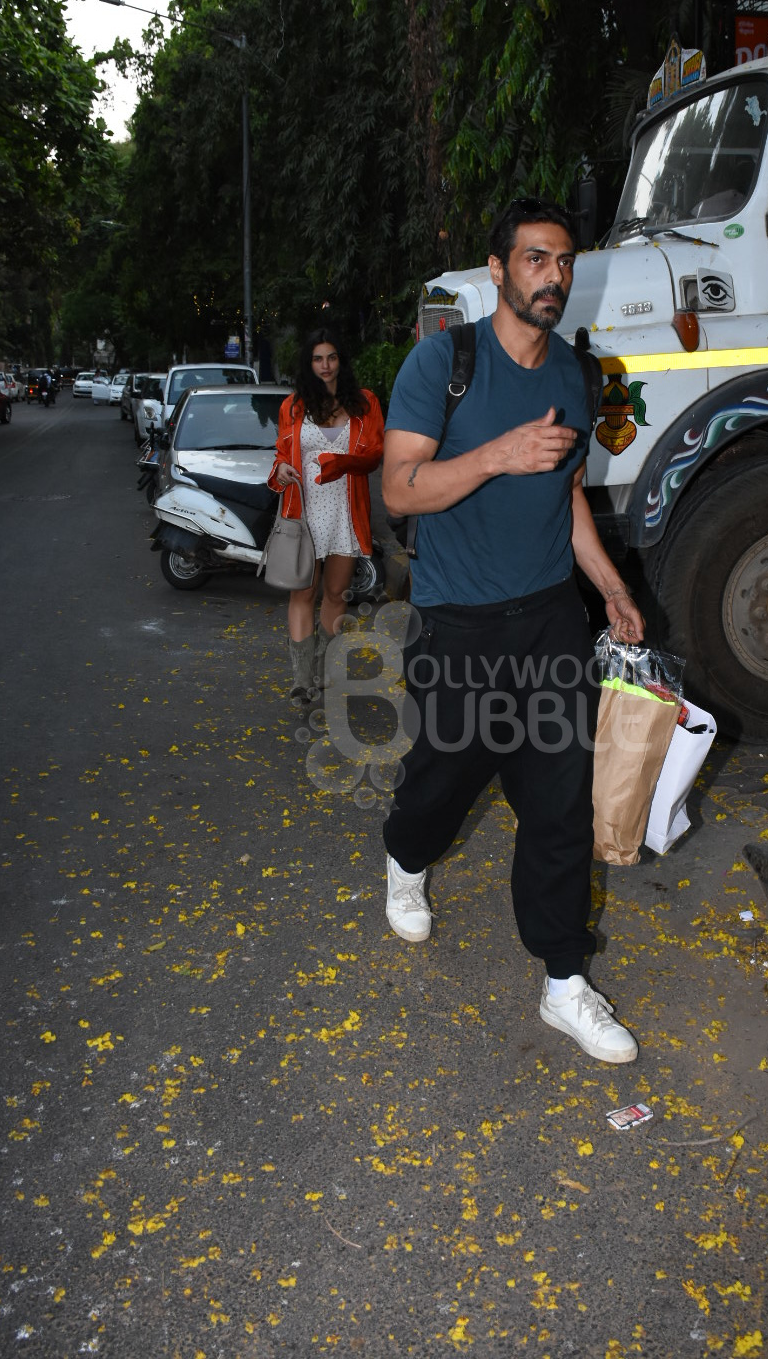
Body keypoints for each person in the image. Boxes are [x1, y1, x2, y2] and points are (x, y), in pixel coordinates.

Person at [380, 196, 646, 1064]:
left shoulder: (576, 374)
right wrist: (494, 454)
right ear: (497, 270)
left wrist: (608, 586)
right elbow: (399, 491)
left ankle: (565, 981)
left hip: (548, 623)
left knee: (559, 802)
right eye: (535, 259)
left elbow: (565, 494)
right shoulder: (441, 364)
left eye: (563, 261)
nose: (553, 277)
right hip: (457, 621)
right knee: (441, 781)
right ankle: (405, 857)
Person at [269, 329, 384, 700]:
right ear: (308, 364)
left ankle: (321, 674)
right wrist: (282, 470)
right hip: (304, 511)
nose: (325, 366)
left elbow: (375, 455)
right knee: (303, 592)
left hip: (346, 512)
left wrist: (343, 462)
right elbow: (282, 455)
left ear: (341, 361)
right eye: (318, 359)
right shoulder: (293, 406)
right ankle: (302, 679)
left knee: (336, 593)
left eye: (331, 358)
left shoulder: (365, 404)